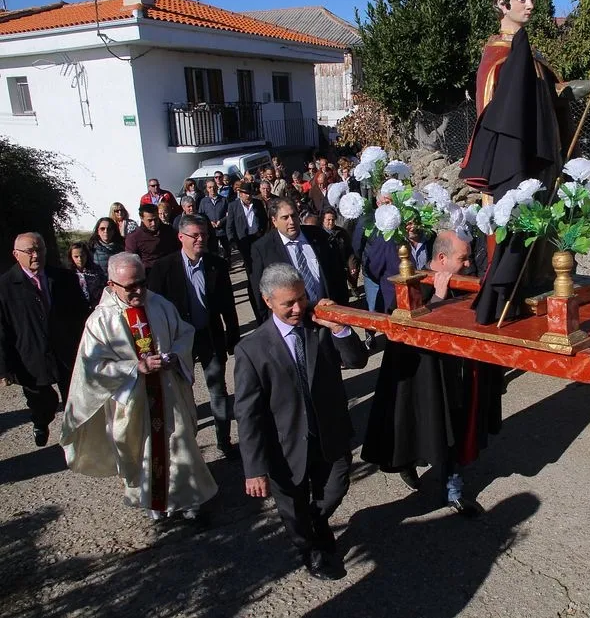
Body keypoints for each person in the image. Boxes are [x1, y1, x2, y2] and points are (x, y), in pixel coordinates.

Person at [459, 0, 589, 324]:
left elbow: (545, 98)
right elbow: (495, 112)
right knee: (516, 226)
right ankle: (510, 293)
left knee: (547, 224)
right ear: (502, 5)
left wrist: (572, 90)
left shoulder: (533, 56)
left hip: (545, 155)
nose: (531, 5)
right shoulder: (496, 55)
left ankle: (543, 278)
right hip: (514, 161)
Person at [234, 263, 367, 579]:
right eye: (288, 303)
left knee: (334, 488)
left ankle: (316, 521)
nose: (298, 308)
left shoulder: (319, 325)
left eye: (302, 298)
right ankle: (311, 551)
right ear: (268, 301)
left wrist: (339, 328)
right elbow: (248, 413)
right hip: (285, 445)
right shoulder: (251, 349)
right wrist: (254, 469)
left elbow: (356, 360)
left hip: (329, 433)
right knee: (292, 509)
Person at [61, 253, 217, 521]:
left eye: (142, 283)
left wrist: (175, 356)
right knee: (139, 450)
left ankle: (189, 500)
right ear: (111, 285)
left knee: (179, 441)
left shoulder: (159, 304)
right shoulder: (101, 320)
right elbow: (92, 367)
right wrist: (134, 368)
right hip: (131, 400)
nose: (138, 291)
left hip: (167, 391)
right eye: (130, 286)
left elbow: (184, 333)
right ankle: (153, 503)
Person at [363, 230, 499, 515]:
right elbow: (403, 329)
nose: (468, 264)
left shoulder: (464, 281)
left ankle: (454, 490)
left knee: (455, 431)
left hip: (455, 375)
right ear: (442, 258)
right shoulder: (414, 283)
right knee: (419, 429)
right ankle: (408, 463)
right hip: (421, 378)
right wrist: (437, 298)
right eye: (462, 258)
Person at [149, 215, 240, 454]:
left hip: (209, 336)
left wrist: (232, 334)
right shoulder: (163, 268)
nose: (201, 239)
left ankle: (224, 442)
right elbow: (154, 308)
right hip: (178, 341)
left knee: (218, 390)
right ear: (181, 237)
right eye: (195, 235)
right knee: (182, 393)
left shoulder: (216, 265)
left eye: (204, 235)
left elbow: (228, 304)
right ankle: (188, 448)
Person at [0, 233, 88, 446]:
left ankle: (77, 441)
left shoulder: (64, 279)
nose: (36, 255)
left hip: (65, 351)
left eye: (40, 249)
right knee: (43, 401)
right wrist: (4, 368)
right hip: (30, 355)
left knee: (75, 399)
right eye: (30, 251)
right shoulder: (5, 286)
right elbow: (1, 329)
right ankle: (41, 421)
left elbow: (81, 315)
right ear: (16, 254)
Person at [249, 197, 349, 312]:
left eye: (294, 216)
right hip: (291, 317)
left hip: (327, 311)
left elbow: (337, 274)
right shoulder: (263, 248)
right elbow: (258, 291)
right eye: (285, 218)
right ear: (274, 221)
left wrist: (342, 308)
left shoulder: (318, 235)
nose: (291, 222)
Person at [226, 181, 268, 324]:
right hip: (243, 241)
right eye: (245, 194)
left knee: (260, 266)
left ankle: (259, 284)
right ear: (240, 194)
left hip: (257, 239)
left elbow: (264, 220)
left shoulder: (257, 204)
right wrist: (232, 241)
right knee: (250, 269)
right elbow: (230, 225)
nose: (248, 196)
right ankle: (253, 287)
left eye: (250, 194)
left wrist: (261, 232)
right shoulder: (233, 206)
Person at [124, 203, 180, 274]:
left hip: (171, 270)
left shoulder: (168, 230)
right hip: (149, 273)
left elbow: (178, 250)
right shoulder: (134, 237)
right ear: (142, 218)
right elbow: (131, 261)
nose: (153, 223)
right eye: (150, 220)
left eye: (156, 219)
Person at [321, 208, 359, 296]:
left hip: (341, 268)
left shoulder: (342, 233)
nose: (331, 222)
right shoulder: (318, 234)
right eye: (328, 220)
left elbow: (349, 251)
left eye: (333, 220)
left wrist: (352, 266)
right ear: (323, 220)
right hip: (326, 270)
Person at [66, 241, 106, 310]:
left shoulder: (96, 270)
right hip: (77, 308)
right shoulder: (68, 273)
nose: (80, 259)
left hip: (97, 307)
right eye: (76, 257)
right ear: (71, 257)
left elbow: (104, 287)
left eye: (82, 256)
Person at [198, 179, 230, 263]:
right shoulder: (203, 202)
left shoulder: (224, 200)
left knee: (227, 250)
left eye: (214, 187)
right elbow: (201, 215)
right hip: (211, 231)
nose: (212, 189)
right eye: (210, 187)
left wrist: (221, 221)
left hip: (223, 230)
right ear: (207, 189)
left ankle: (227, 265)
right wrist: (209, 222)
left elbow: (229, 214)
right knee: (213, 251)